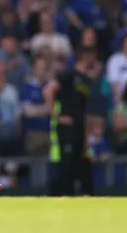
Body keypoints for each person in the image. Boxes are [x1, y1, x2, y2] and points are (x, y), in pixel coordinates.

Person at [45, 47, 99, 196]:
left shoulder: (87, 81)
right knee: (66, 168)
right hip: (67, 129)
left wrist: (88, 137)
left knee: (83, 168)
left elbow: (86, 110)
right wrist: (57, 116)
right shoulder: (68, 75)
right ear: (85, 57)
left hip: (80, 129)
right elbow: (48, 91)